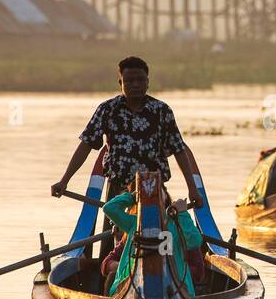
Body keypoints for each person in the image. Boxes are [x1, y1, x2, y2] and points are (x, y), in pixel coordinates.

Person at [50, 55, 204, 256]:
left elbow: (179, 150)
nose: (135, 85)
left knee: (163, 249)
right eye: (129, 81)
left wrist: (193, 189)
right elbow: (86, 145)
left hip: (154, 191)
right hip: (119, 193)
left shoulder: (161, 111)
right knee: (113, 251)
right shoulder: (108, 109)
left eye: (140, 80)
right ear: (120, 83)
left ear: (147, 83)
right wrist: (64, 180)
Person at [101, 182, 205, 296]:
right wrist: (132, 197)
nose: (152, 196)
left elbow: (195, 241)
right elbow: (109, 208)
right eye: (148, 194)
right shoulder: (134, 222)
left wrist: (183, 213)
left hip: (176, 287)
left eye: (157, 192)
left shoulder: (176, 222)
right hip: (132, 286)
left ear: (165, 198)